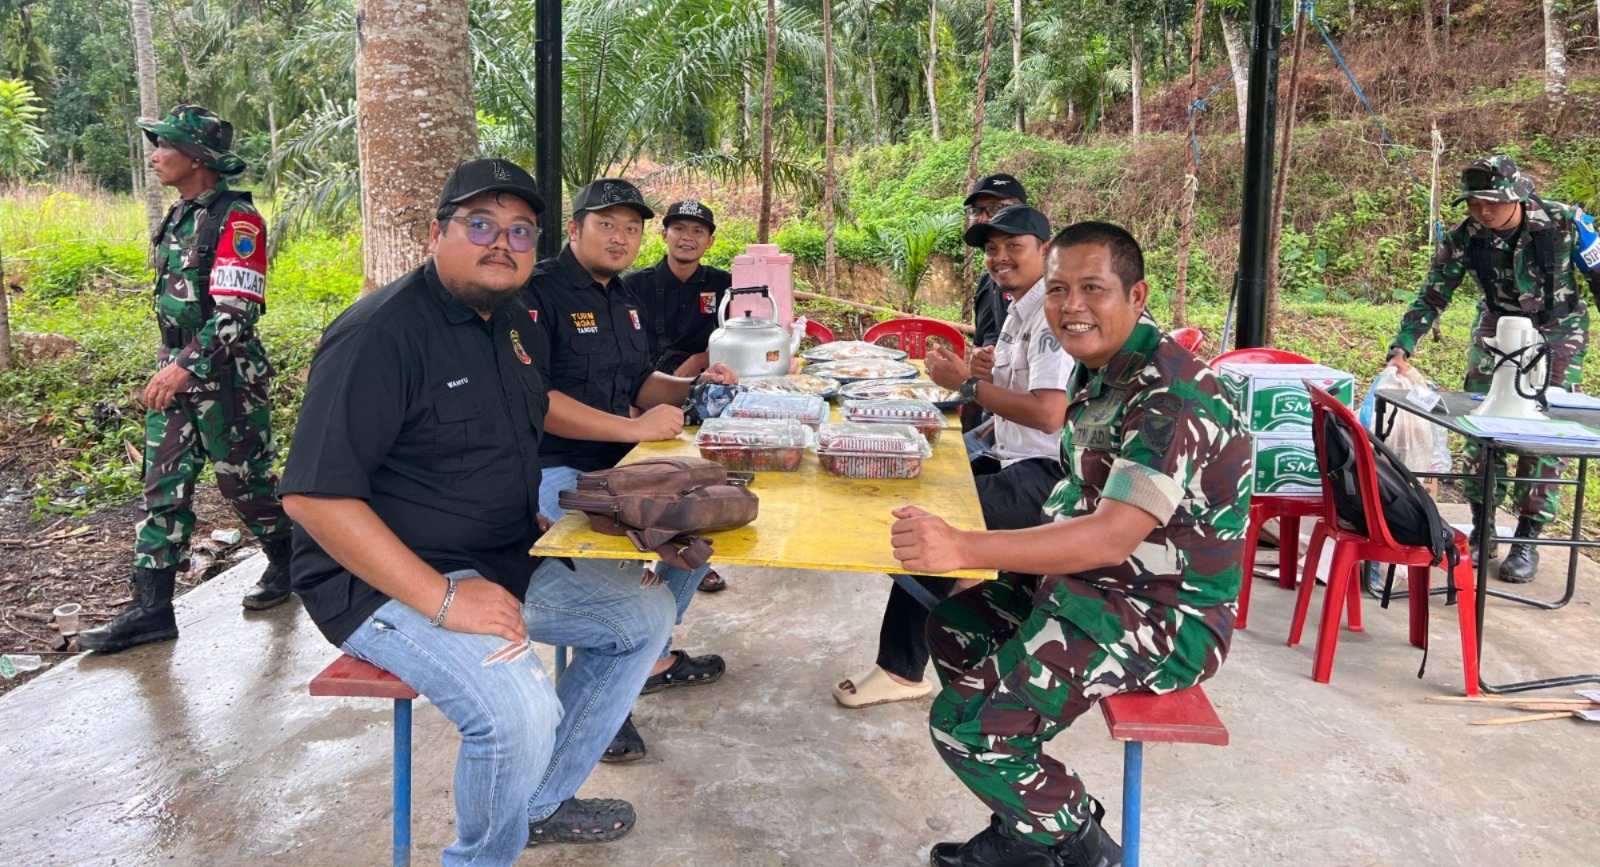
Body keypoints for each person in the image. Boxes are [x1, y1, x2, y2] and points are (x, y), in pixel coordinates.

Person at [283, 159, 675, 865]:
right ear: (437, 232)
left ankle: (536, 804)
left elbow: (505, 440)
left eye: (520, 230)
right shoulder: (381, 333)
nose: (502, 243)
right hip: (386, 580)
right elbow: (313, 496)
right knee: (520, 712)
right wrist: (444, 598)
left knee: (642, 616)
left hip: (499, 555)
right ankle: (481, 856)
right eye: (480, 224)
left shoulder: (513, 322)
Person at [891, 222, 1249, 867]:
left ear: (1136, 296)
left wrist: (966, 548)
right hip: (1095, 587)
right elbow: (1077, 503)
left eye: (1093, 289)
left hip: (1164, 614)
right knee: (955, 625)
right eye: (1058, 290)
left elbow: (1113, 535)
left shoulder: (1170, 397)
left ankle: (1073, 842)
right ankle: (1025, 811)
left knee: (965, 726)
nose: (1071, 306)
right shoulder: (1104, 373)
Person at [522, 178, 736, 764]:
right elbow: (536, 398)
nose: (621, 238)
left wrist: (695, 386)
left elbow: (641, 381)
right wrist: (633, 429)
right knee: (615, 590)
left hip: (624, 463)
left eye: (631, 227)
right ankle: (607, 696)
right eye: (606, 224)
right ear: (574, 228)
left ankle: (649, 656)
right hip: (557, 469)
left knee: (701, 529)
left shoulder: (623, 298)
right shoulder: (538, 293)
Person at [833, 205, 1070, 709]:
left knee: (928, 524)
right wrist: (980, 373)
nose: (1000, 258)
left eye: (1014, 247)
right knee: (918, 488)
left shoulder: (1051, 316)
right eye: (991, 249)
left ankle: (907, 667)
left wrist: (966, 385)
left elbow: (1050, 413)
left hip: (1046, 475)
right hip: (1011, 457)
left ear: (1045, 251)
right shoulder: (1018, 308)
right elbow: (1017, 390)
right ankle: (941, 642)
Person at [80, 105, 293, 654]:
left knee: (246, 488)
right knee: (162, 490)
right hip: (174, 376)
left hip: (225, 381)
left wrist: (184, 368)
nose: (154, 156)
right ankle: (152, 610)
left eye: (164, 147)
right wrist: (169, 368)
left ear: (196, 158)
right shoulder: (179, 215)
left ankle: (290, 560)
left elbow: (236, 313)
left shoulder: (237, 221)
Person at [1388, 154, 1600, 584]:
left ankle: (1528, 534)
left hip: (1558, 328)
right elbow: (1433, 294)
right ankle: (1482, 521)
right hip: (1498, 325)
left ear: (1517, 196)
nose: (1483, 211)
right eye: (1474, 203)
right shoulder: (1466, 236)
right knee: (1480, 424)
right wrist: (1403, 346)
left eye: (1491, 202)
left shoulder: (1566, 223)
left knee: (1543, 430)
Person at [621, 198, 736, 593]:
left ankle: (691, 562)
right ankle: (644, 560)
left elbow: (736, 336)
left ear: (710, 241)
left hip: (704, 395)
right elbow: (625, 354)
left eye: (698, 231)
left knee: (701, 482)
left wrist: (702, 357)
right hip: (647, 398)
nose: (687, 238)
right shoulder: (634, 285)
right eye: (680, 229)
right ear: (664, 233)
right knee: (654, 482)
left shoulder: (723, 284)